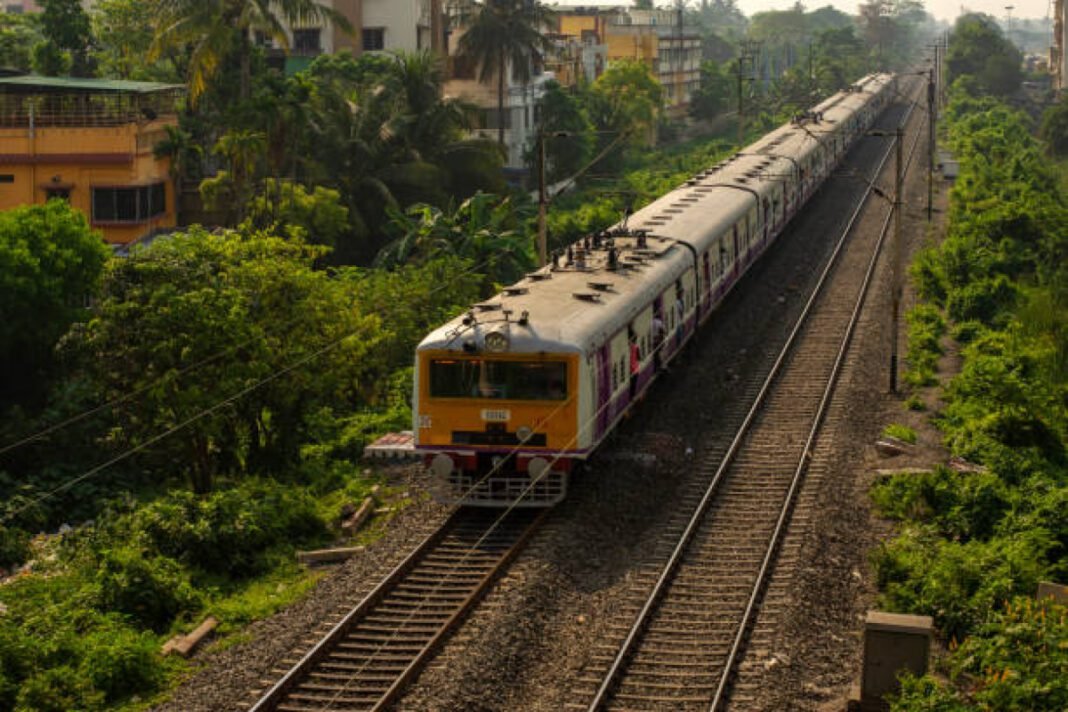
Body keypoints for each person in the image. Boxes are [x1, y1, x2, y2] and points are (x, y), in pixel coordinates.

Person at [628, 330, 640, 399]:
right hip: (635, 367)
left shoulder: (629, 346)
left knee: (631, 383)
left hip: (630, 367)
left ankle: (631, 396)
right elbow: (639, 358)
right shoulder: (636, 347)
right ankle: (632, 396)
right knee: (634, 383)